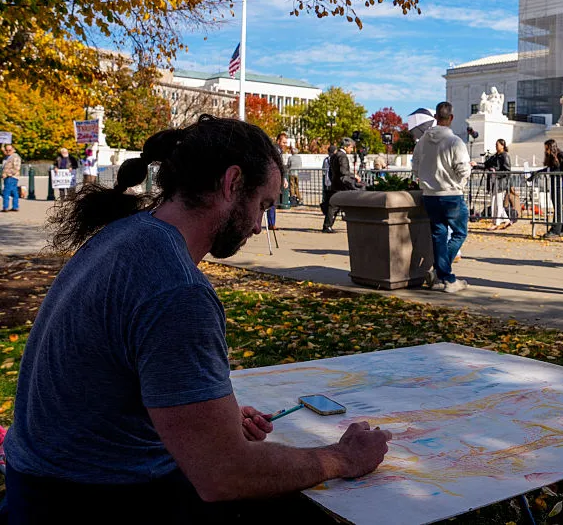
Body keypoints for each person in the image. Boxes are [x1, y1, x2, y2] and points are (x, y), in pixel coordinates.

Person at [3, 115, 391, 523]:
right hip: (95, 500)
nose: (259, 226)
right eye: (262, 205)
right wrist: (340, 458)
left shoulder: (127, 233)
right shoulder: (177, 290)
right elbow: (224, 475)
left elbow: (105, 382)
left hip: (40, 485)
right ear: (232, 183)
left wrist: (202, 418)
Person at [411, 102, 471, 293]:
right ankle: (444, 274)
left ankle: (439, 273)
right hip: (451, 194)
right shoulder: (455, 142)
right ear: (451, 118)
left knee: (439, 234)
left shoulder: (422, 141)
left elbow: (415, 166)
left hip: (430, 194)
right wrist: (462, 177)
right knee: (460, 233)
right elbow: (463, 169)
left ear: (436, 117)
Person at [321, 138, 362, 233]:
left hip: (335, 182)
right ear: (346, 147)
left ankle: (327, 225)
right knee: (340, 204)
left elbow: (331, 171)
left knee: (334, 205)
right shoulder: (343, 156)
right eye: (351, 147)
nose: (352, 150)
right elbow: (343, 171)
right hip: (342, 183)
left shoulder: (334, 155)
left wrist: (332, 180)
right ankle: (328, 226)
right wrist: (354, 175)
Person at [532, 139, 563, 238]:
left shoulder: (561, 155)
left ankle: (555, 230)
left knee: (557, 208)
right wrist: (537, 172)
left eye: (547, 148)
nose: (545, 151)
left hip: (561, 185)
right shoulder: (552, 157)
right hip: (554, 185)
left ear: (551, 147)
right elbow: (549, 168)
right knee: (558, 207)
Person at [267, 133, 294, 230]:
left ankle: (271, 222)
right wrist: (283, 178)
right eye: (283, 142)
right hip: (271, 178)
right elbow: (278, 165)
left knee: (272, 201)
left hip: (273, 177)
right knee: (271, 200)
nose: (285, 144)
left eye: (286, 142)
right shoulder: (275, 150)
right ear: (278, 141)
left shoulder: (278, 150)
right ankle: (271, 223)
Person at [483, 139, 511, 231]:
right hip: (495, 182)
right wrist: (476, 165)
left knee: (497, 203)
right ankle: (506, 220)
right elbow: (486, 164)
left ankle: (496, 223)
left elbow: (507, 171)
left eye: (497, 145)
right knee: (496, 202)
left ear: (502, 145)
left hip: (501, 182)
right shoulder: (495, 156)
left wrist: (496, 172)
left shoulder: (504, 156)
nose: (496, 146)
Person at [2, 143, 22, 212]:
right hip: (9, 177)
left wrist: (7, 174)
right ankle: (15, 207)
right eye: (6, 150)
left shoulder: (15, 157)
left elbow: (16, 168)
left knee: (6, 192)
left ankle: (5, 207)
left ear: (13, 150)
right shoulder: (7, 156)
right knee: (14, 192)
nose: (7, 151)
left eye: (9, 150)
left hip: (11, 177)